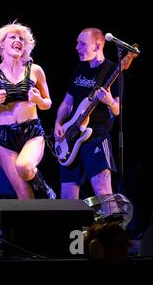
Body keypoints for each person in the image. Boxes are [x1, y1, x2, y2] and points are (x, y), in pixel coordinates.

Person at [0, 22, 55, 199]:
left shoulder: (35, 70)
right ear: (2, 45)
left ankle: (46, 192)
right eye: (12, 37)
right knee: (24, 195)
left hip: (32, 132)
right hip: (6, 138)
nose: (18, 40)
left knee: (25, 166)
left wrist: (37, 99)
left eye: (21, 38)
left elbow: (47, 103)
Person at [54, 28, 119, 199]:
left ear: (98, 46)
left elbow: (117, 110)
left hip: (96, 136)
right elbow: (67, 103)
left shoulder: (112, 70)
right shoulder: (80, 68)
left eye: (82, 44)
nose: (77, 48)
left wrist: (110, 102)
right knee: (68, 197)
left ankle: (109, 226)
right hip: (71, 136)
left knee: (103, 192)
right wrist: (58, 124)